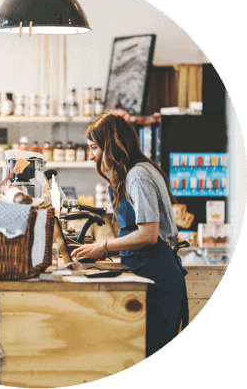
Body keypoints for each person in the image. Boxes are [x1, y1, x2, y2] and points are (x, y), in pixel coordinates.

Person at [71, 113, 189, 358]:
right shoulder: (136, 172)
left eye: (94, 147)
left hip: (157, 278)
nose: (90, 155)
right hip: (148, 271)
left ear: (111, 146)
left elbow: (148, 234)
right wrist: (100, 249)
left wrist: (104, 247)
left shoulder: (137, 175)